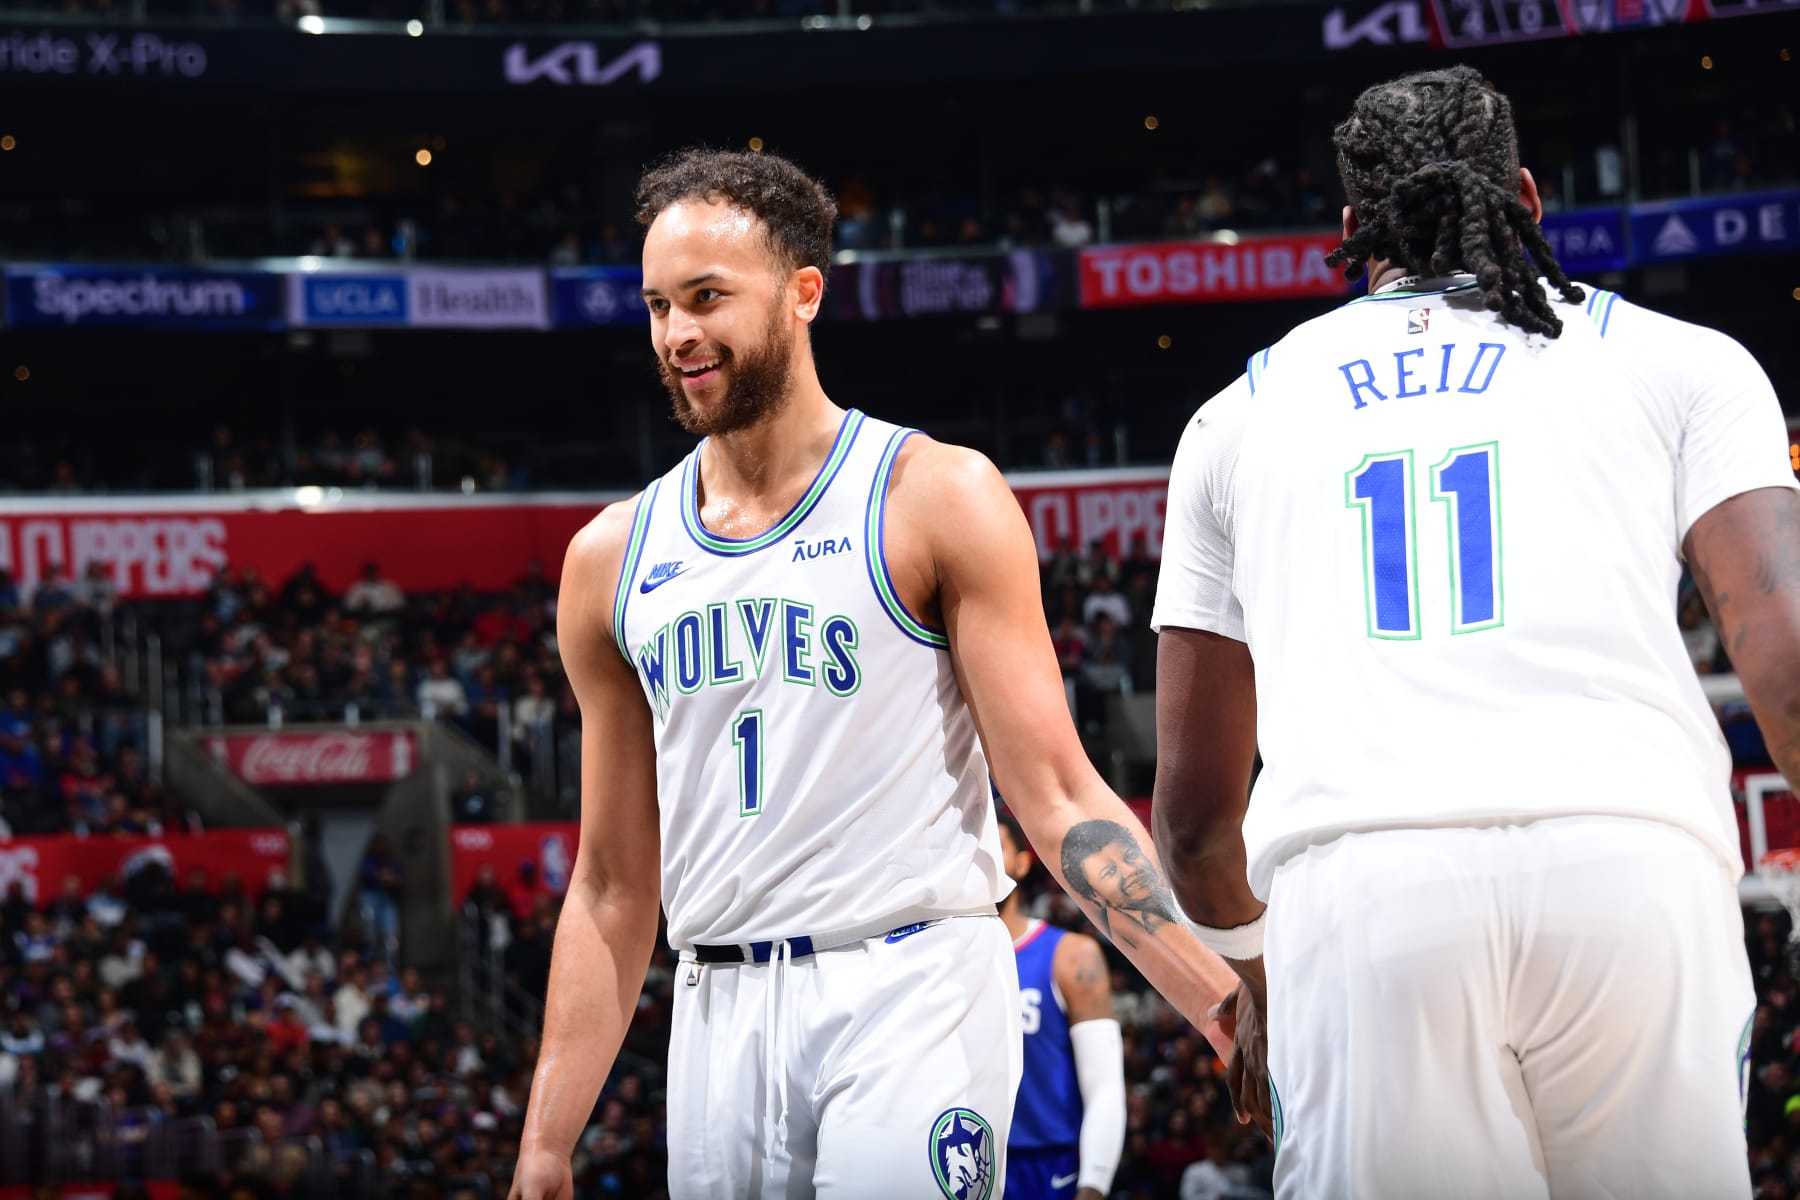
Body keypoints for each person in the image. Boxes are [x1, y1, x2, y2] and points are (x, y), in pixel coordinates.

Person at [510, 148, 1237, 1200]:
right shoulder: (608, 561)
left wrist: (1215, 1000)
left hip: (915, 983)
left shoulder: (933, 495)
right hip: (717, 1004)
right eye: (659, 306)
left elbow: (1060, 793)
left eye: (708, 298)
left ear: (805, 292)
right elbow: (616, 882)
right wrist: (545, 1140)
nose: (678, 336)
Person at [1150, 64, 1798, 1198]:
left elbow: (1198, 823)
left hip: (1364, 895)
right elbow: (1784, 661)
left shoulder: (1235, 414)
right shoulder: (1684, 363)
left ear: (1349, 231)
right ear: (1530, 201)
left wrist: (1259, 974)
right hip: (1634, 861)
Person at [997, 811, 1125, 1200]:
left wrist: (1094, 1184)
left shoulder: (1070, 956)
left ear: (1023, 861)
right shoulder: (940, 964)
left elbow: (1104, 1087)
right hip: (965, 1160)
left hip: (1048, 1165)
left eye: (995, 846)